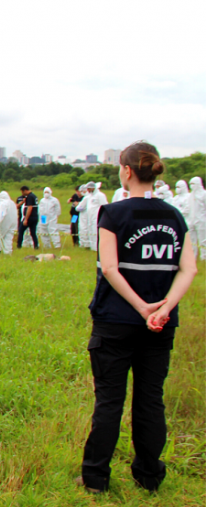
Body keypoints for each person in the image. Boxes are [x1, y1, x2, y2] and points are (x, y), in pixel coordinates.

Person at [80, 142, 197, 494]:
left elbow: (111, 268)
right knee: (150, 399)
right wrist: (162, 308)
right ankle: (149, 476)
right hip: (159, 326)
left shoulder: (113, 214)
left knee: (110, 400)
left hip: (116, 321)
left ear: (126, 171)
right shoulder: (175, 216)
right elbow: (188, 268)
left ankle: (96, 478)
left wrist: (140, 306)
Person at [189, 177, 206, 260]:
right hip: (192, 220)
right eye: (190, 184)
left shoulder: (204, 194)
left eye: (193, 184)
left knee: (203, 240)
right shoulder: (191, 195)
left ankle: (203, 257)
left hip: (202, 221)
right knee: (192, 241)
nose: (192, 186)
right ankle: (193, 257)